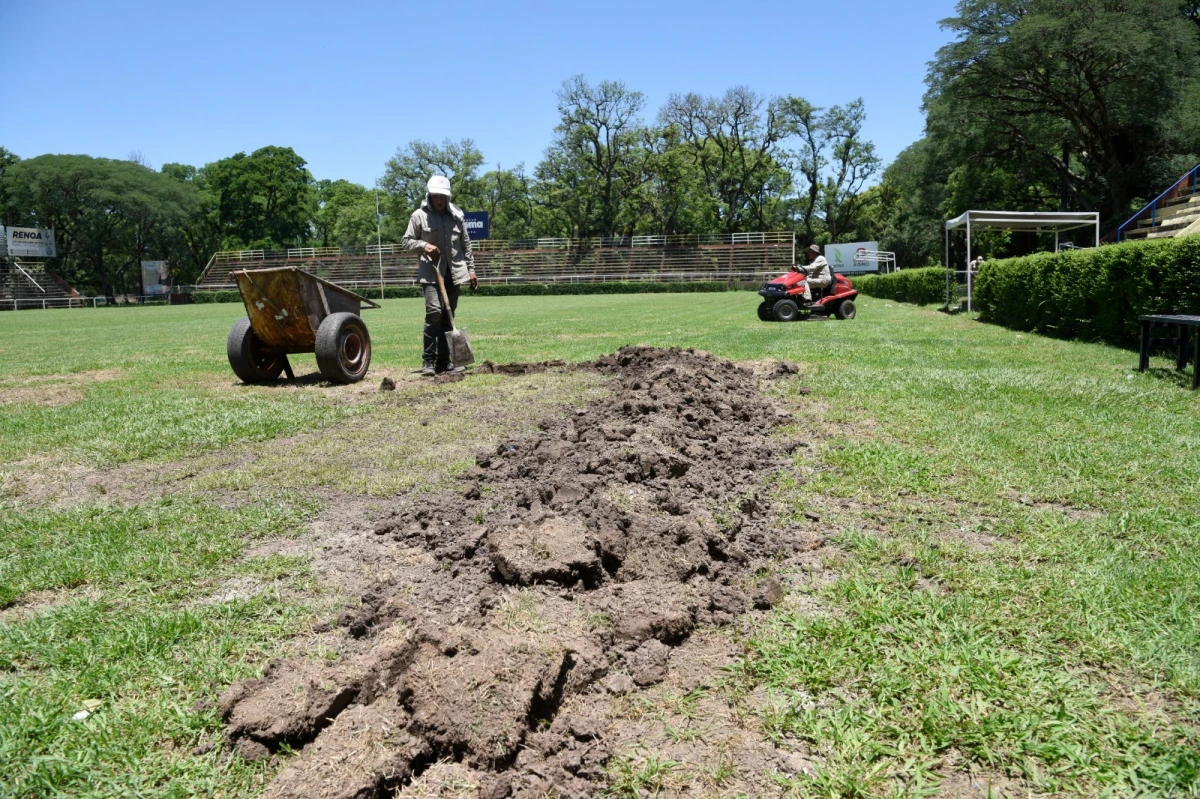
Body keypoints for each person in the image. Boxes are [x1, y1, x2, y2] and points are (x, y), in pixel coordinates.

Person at [401, 175, 479, 376]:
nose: (439, 200)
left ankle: (445, 362)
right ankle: (428, 361)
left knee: (448, 316)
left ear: (448, 197)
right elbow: (406, 241)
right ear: (429, 196)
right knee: (434, 312)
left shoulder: (456, 216)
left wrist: (471, 270)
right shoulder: (418, 216)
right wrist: (423, 245)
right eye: (436, 196)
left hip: (454, 272)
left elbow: (466, 245)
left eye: (443, 197)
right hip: (431, 272)